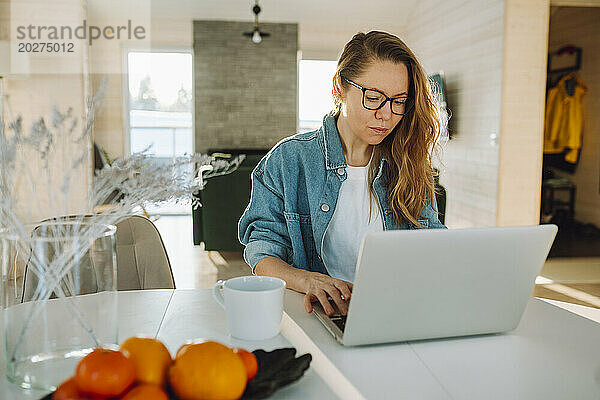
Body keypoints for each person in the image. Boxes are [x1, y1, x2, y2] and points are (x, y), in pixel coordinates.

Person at [238, 31, 446, 317]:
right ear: (339, 87)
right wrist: (307, 280)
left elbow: (434, 245)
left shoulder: (410, 164)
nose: (386, 115)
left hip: (397, 313)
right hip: (318, 316)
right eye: (374, 98)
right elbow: (262, 252)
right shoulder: (289, 161)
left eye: (399, 101)